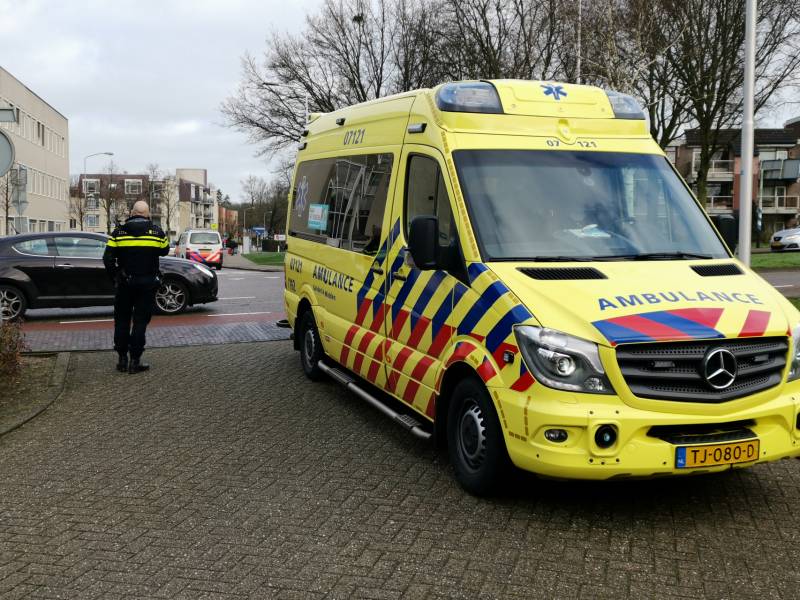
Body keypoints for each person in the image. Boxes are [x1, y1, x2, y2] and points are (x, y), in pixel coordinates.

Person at [103, 201, 169, 373]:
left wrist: (116, 276)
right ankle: (135, 361)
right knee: (140, 321)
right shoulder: (157, 232)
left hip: (125, 284)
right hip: (147, 284)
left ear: (132, 213)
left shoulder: (118, 232)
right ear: (147, 214)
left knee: (122, 320)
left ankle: (122, 359)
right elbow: (165, 250)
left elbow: (107, 258)